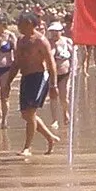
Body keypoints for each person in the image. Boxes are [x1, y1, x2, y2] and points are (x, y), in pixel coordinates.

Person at [12, 13, 60, 155]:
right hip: (26, 78)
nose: (18, 26)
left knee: (31, 113)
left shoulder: (41, 41)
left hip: (39, 78)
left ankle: (27, 148)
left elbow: (51, 63)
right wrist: (7, 83)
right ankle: (50, 137)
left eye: (21, 23)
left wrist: (53, 85)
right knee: (26, 115)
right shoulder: (20, 41)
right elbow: (17, 62)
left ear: (30, 24)